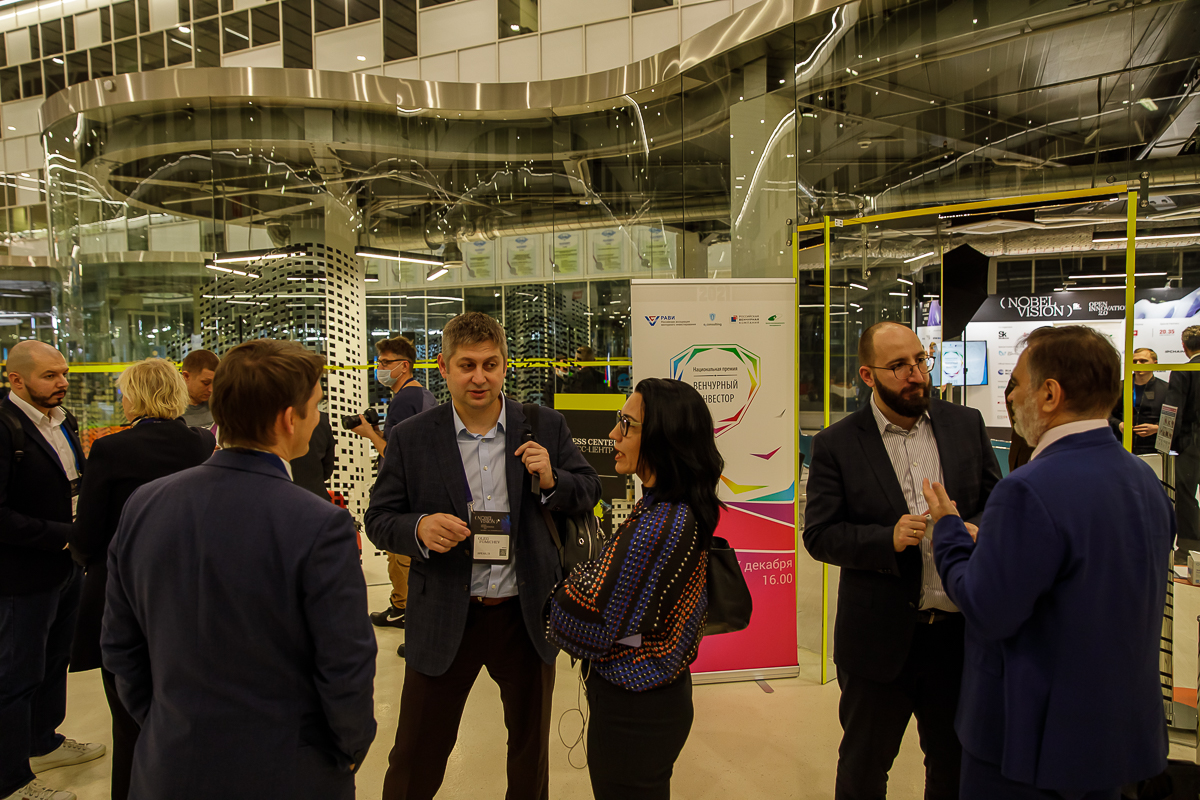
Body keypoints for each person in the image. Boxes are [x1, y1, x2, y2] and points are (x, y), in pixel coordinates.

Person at [102, 339, 377, 800]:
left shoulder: (144, 504)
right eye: (315, 407)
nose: (317, 419)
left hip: (171, 763)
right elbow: (345, 661)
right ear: (289, 419)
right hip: (287, 769)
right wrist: (348, 746)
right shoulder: (319, 524)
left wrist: (162, 723)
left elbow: (120, 645)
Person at [924, 325, 1172, 798]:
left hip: (1030, 746)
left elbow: (988, 609)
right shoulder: (1144, 481)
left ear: (1050, 394)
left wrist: (950, 531)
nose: (1012, 397)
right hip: (1113, 739)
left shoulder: (1027, 489)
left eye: (1017, 384)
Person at [364, 311, 600, 800]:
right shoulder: (413, 437)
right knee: (415, 756)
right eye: (466, 365)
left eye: (490, 364)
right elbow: (380, 518)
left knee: (530, 757)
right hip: (445, 612)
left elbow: (588, 489)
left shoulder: (543, 425)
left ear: (505, 366)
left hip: (524, 616)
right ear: (443, 367)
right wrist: (419, 527)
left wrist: (552, 479)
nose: (479, 377)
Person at [802, 321, 1001, 800]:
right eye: (899, 366)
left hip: (957, 635)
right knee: (864, 769)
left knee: (954, 767)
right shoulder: (837, 443)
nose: (916, 374)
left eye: (920, 361)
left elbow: (997, 504)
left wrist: (976, 528)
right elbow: (820, 535)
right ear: (868, 376)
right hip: (878, 640)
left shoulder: (965, 424)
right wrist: (884, 538)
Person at [548, 378, 718, 800]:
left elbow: (589, 615)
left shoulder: (661, 524)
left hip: (635, 711)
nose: (613, 434)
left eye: (627, 424)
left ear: (663, 436)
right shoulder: (670, 506)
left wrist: (558, 595)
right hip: (649, 700)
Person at [68, 358, 215, 800]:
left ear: (135, 396)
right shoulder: (201, 444)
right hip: (191, 593)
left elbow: (87, 534)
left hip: (122, 594)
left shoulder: (111, 449)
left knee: (128, 719)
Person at [0, 340, 105, 800]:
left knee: (53, 660)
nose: (62, 382)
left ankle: (42, 743)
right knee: (15, 675)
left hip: (66, 565)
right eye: (50, 375)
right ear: (16, 379)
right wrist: (62, 534)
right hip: (20, 575)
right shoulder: (5, 427)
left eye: (64, 373)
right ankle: (10, 780)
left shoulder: (65, 420)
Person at [351, 336, 436, 640]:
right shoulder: (423, 395)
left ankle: (413, 619)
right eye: (379, 362)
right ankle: (400, 606)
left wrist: (369, 434)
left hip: (405, 490)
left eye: (386, 363)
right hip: (418, 486)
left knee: (402, 555)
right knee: (397, 554)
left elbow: (396, 454)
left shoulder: (403, 400)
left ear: (404, 365)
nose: (380, 368)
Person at [1165, 326, 1200, 559]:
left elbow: (1173, 413)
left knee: (1185, 495)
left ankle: (1189, 547)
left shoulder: (1182, 371)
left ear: (1184, 346)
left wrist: (1165, 445)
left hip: (1191, 443)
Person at [1110, 347, 1168, 455]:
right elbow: (1105, 414)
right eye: (1134, 361)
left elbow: (1174, 419)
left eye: (1143, 361)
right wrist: (1119, 424)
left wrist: (1157, 428)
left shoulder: (1166, 389)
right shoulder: (1118, 387)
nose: (1137, 364)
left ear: (1155, 363)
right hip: (1121, 446)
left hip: (1152, 449)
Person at [290, 410, 336, 498]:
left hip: (279, 497)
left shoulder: (271, 416)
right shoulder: (321, 418)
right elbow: (328, 468)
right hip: (317, 495)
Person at [179, 349, 219, 427]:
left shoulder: (220, 407)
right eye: (206, 383)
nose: (211, 390)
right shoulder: (171, 413)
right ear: (186, 376)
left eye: (215, 383)